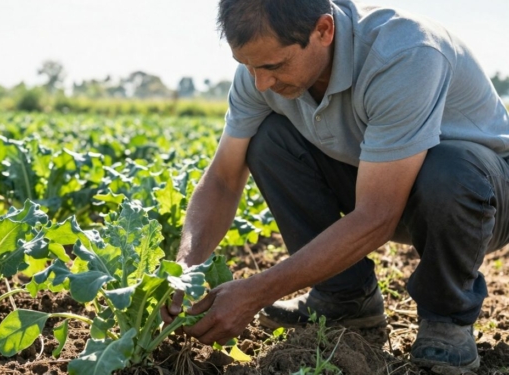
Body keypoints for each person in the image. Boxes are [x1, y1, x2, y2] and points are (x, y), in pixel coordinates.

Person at [160, 0, 509, 371]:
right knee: (267, 140)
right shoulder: (259, 72)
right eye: (248, 65)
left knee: (450, 169)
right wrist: (185, 268)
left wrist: (256, 292)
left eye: (273, 66)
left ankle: (446, 317)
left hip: (479, 198)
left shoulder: (405, 52)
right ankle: (345, 298)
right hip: (379, 180)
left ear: (324, 31)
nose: (261, 82)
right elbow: (223, 179)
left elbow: (377, 216)